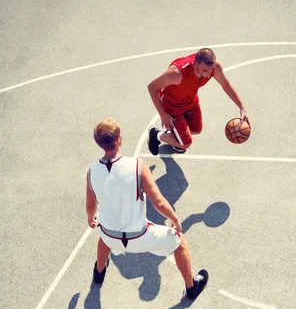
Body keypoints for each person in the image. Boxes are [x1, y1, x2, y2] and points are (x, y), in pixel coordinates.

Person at [86, 118, 208, 299]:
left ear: (99, 144)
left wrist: (91, 218)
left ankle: (99, 271)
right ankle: (191, 287)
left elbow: (90, 206)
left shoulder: (92, 171)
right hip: (139, 237)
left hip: (110, 236)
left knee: (104, 235)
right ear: (119, 139)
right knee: (180, 242)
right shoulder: (137, 166)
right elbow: (158, 202)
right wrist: (174, 218)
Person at [147, 47, 250, 155]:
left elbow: (226, 85)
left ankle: (176, 135)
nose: (209, 74)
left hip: (191, 100)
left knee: (196, 130)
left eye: (211, 70)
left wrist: (242, 108)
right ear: (195, 63)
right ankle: (156, 135)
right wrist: (163, 115)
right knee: (185, 144)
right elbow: (151, 87)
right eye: (205, 70)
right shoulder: (177, 73)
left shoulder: (214, 68)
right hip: (172, 105)